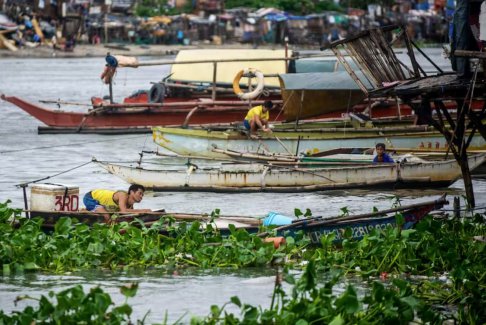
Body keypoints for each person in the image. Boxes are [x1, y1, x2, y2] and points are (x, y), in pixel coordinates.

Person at [83, 184, 151, 215]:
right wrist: (144, 210)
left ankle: (86, 210)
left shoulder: (130, 205)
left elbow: (128, 212)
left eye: (142, 195)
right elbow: (123, 211)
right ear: (131, 192)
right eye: (140, 193)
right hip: (90, 197)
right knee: (106, 215)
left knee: (108, 212)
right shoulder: (123, 195)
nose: (141, 196)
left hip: (100, 203)